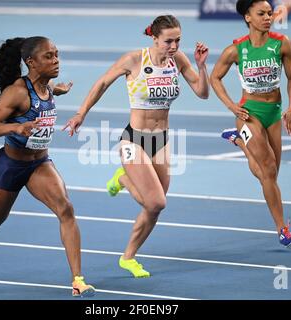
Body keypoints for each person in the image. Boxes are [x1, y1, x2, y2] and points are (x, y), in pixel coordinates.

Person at [63, 15, 210, 277]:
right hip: (135, 139)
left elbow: (202, 92)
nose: (174, 46)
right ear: (154, 38)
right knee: (157, 203)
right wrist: (81, 114)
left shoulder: (179, 60)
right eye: (168, 41)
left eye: (178, 40)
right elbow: (102, 83)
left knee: (152, 207)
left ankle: (128, 257)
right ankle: (123, 178)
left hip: (161, 140)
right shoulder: (134, 59)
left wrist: (201, 67)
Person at [0, 36, 95, 296]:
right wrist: (16, 126)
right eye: (49, 57)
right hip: (10, 166)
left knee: (66, 209)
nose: (56, 61)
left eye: (57, 54)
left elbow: (46, 95)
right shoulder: (17, 92)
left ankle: (78, 279)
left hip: (39, 164)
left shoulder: (47, 85)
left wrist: (58, 91)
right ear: (31, 62)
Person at [210, 0, 291, 247]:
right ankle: (282, 229)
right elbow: (215, 77)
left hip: (274, 112)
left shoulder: (282, 44)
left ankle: (239, 141)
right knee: (268, 168)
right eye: (261, 14)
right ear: (248, 17)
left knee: (269, 175)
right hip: (249, 113)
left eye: (270, 13)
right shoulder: (236, 50)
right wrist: (231, 105)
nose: (267, 17)